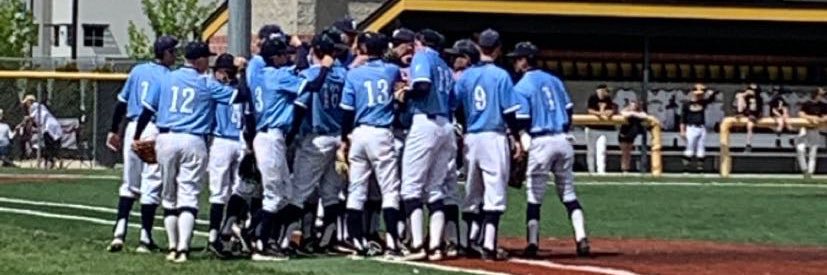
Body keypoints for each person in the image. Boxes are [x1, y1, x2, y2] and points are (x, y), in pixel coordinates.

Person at [134, 41, 244, 263]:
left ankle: (173, 247)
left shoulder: (166, 77)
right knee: (189, 193)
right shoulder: (206, 83)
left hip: (166, 137)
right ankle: (183, 248)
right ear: (199, 60)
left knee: (169, 195)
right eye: (207, 58)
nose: (209, 62)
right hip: (194, 139)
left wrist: (137, 136)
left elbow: (147, 110)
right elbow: (239, 96)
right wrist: (242, 72)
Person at [248, 37, 334, 261]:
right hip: (271, 135)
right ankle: (260, 243)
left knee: (285, 194)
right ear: (274, 57)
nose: (287, 57)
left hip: (267, 134)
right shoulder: (277, 75)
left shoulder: (259, 74)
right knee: (275, 196)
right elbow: (313, 85)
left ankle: (251, 231)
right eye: (283, 54)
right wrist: (324, 68)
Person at [509, 41, 590, 258]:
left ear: (526, 60)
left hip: (540, 140)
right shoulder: (554, 80)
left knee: (534, 196)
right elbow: (569, 110)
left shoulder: (522, 86)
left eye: (517, 58)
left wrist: (522, 145)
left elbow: (523, 120)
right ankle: (581, 237)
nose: (515, 62)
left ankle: (533, 242)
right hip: (563, 139)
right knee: (569, 193)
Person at [454, 29, 525, 261]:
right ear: (498, 48)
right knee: (494, 192)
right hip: (493, 136)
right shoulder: (501, 75)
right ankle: (489, 244)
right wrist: (516, 138)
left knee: (472, 192)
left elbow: (457, 107)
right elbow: (510, 112)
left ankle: (469, 240)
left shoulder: (465, 75)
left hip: (472, 137)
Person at [104, 35, 177, 253]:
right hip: (152, 128)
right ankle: (145, 238)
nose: (175, 55)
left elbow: (121, 103)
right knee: (151, 184)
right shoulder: (168, 76)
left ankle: (119, 231)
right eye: (172, 51)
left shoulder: (137, 70)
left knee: (129, 182)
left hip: (131, 127)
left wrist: (113, 130)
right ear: (164, 53)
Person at [337, 32, 406, 259]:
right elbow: (400, 88)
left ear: (364, 48)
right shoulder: (390, 70)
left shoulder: (353, 73)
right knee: (389, 190)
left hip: (358, 132)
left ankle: (356, 239)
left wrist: (345, 136)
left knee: (356, 190)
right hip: (381, 132)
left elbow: (347, 110)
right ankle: (393, 243)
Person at [287, 28, 349, 255]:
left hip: (317, 137)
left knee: (299, 192)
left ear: (315, 50)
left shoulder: (312, 74)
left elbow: (300, 106)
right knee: (331, 194)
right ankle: (326, 242)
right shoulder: (343, 74)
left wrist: (290, 135)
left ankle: (287, 240)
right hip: (338, 137)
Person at [399, 28, 454, 261]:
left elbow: (422, 85)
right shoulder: (444, 65)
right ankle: (435, 247)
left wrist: (404, 93)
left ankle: (418, 245)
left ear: (421, 42)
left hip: (425, 121)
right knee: (434, 188)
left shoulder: (423, 57)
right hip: (445, 124)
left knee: (411, 188)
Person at [205, 53, 245, 258]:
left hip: (224, 140)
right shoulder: (242, 88)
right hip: (237, 141)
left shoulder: (218, 89)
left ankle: (220, 234)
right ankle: (224, 234)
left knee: (223, 192)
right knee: (234, 191)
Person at [680, 83, 718, 173]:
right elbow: (683, 119)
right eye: (698, 94)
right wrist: (682, 131)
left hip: (701, 127)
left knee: (701, 148)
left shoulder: (703, 102)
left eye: (701, 94)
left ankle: (700, 168)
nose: (699, 95)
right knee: (690, 148)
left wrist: (708, 90)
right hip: (690, 128)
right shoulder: (686, 104)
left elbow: (712, 96)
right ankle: (686, 168)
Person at [20, 95, 62, 169]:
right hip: (54, 127)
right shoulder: (41, 107)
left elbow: (30, 118)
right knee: (51, 146)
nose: (26, 105)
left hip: (48, 127)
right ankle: (53, 161)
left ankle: (50, 162)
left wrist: (22, 124)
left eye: (26, 103)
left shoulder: (34, 106)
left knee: (49, 146)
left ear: (29, 101)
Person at [585, 84, 616, 174]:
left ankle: (601, 171)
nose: (606, 93)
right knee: (591, 150)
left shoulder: (608, 99)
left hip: (603, 129)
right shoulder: (593, 98)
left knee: (601, 150)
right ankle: (591, 170)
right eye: (605, 90)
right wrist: (600, 112)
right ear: (599, 90)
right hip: (591, 128)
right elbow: (590, 110)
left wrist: (605, 112)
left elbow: (610, 111)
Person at [796, 88, 826, 178]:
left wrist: (819, 119)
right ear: (816, 95)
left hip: (815, 128)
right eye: (820, 94)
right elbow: (800, 114)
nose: (822, 96)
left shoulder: (823, 105)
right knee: (800, 149)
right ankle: (804, 169)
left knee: (813, 152)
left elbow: (825, 116)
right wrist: (811, 118)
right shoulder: (807, 104)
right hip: (804, 127)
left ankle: (810, 172)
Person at [618, 100, 648, 173]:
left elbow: (644, 115)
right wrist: (632, 113)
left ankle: (627, 168)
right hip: (624, 134)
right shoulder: (625, 111)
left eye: (635, 105)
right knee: (625, 152)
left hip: (631, 135)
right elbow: (623, 113)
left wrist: (634, 114)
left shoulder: (639, 112)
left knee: (628, 152)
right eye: (632, 105)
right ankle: (624, 168)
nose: (633, 107)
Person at [736, 84, 763, 152]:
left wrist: (755, 116)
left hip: (754, 115)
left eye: (754, 90)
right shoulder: (746, 96)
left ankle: (748, 144)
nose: (752, 91)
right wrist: (746, 93)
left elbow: (759, 110)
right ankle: (739, 113)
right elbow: (739, 97)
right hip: (745, 113)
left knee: (750, 126)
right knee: (740, 96)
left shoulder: (759, 98)